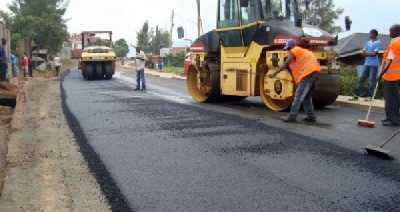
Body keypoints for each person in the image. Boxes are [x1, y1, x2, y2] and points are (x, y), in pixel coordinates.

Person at [267, 39, 321, 123]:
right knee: (307, 97)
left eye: (288, 48)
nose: (288, 51)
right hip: (315, 74)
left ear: (291, 46)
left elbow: (286, 63)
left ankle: (292, 116)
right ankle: (311, 116)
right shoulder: (304, 51)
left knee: (298, 96)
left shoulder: (294, 50)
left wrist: (274, 73)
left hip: (307, 75)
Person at [348, 29, 382, 102]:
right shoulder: (368, 42)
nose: (368, 35)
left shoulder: (378, 43)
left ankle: (369, 96)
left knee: (372, 81)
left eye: (370, 34)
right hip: (366, 64)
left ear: (374, 34)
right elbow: (362, 53)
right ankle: (356, 95)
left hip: (374, 64)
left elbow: (374, 54)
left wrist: (367, 53)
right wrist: (369, 53)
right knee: (361, 79)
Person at [380, 24, 400, 126]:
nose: (389, 33)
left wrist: (381, 73)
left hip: (392, 75)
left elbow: (389, 60)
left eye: (391, 31)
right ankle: (392, 117)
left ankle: (393, 119)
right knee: (395, 97)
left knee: (391, 98)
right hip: (397, 75)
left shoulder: (395, 43)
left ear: (397, 31)